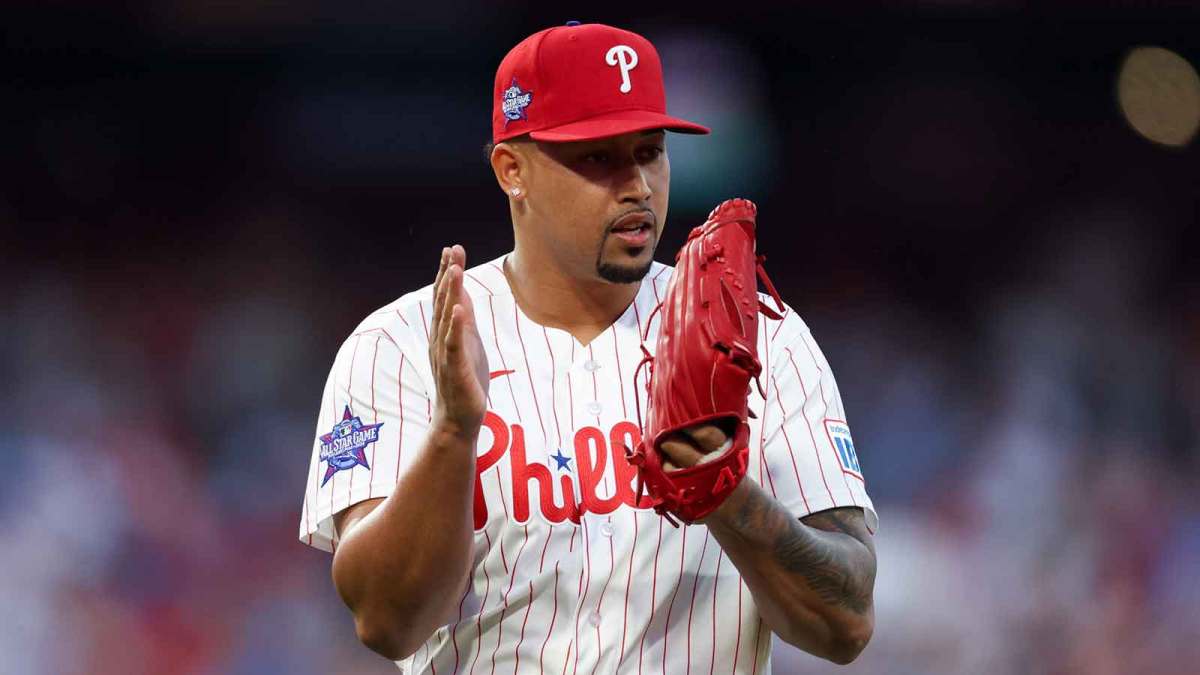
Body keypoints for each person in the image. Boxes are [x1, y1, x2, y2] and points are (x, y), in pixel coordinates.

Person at [299, 21, 878, 674]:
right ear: (512, 169)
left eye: (649, 151)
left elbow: (846, 623)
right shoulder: (400, 346)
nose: (636, 185)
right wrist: (454, 433)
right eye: (598, 157)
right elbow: (385, 621)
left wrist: (728, 495)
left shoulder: (761, 336)